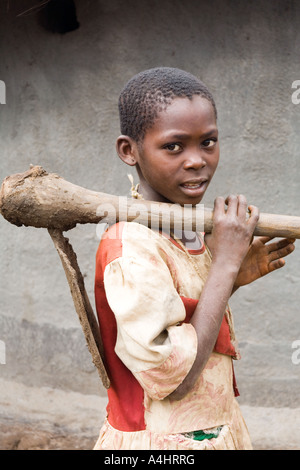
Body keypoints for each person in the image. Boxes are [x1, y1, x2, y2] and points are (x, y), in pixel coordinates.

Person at [93, 67, 295, 450]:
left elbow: (186, 320)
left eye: (208, 142)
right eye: (174, 146)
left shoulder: (188, 231)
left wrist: (228, 279)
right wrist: (225, 265)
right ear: (129, 150)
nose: (197, 160)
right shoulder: (130, 245)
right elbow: (175, 378)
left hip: (216, 431)